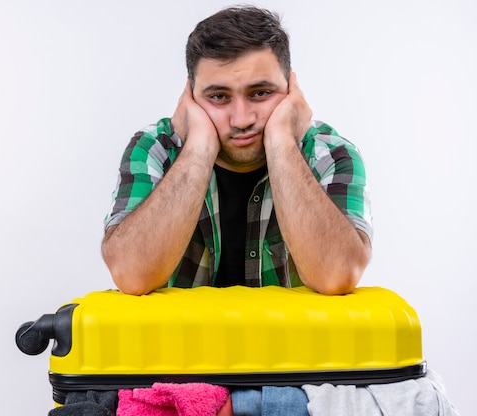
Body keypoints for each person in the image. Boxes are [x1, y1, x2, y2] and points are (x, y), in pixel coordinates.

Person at [102, 6, 373, 296]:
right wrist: (198, 147)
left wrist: (281, 139)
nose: (242, 119)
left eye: (261, 93)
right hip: (183, 343)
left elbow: (336, 275)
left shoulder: (330, 156)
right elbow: (132, 275)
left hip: (288, 343)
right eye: (219, 96)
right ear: (190, 96)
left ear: (292, 89)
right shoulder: (156, 148)